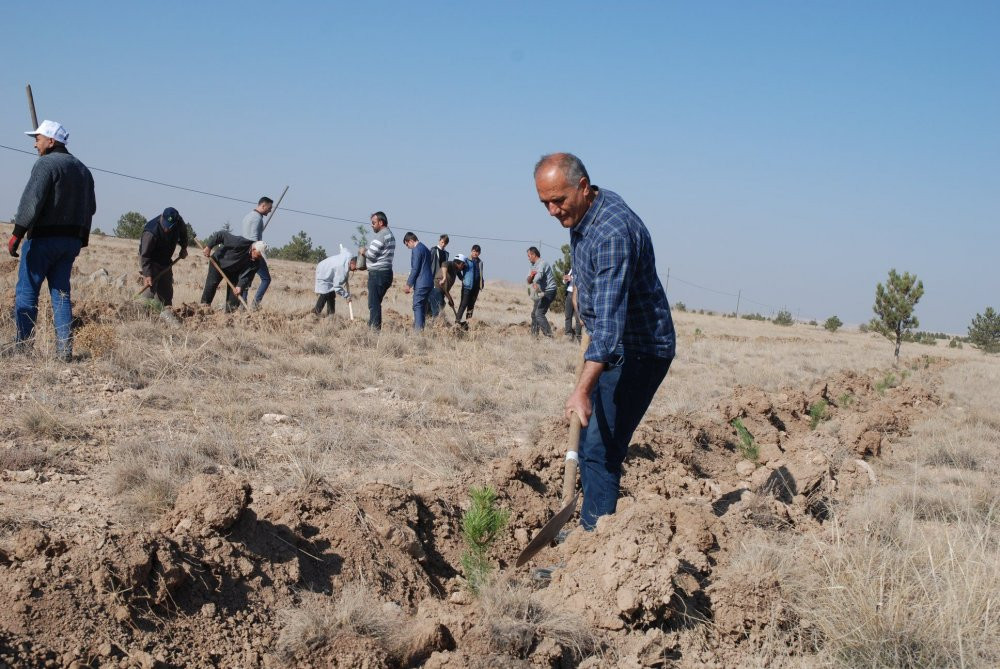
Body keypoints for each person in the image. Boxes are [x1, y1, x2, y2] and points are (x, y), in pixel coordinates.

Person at [534, 152, 675, 531]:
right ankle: (590, 531)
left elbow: (611, 330)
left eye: (558, 200)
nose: (551, 211)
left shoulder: (612, 231)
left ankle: (595, 544)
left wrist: (582, 389)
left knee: (599, 450)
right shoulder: (584, 211)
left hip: (640, 348)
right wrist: (581, 288)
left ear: (582, 187)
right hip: (614, 341)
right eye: (544, 202)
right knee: (596, 441)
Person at [7, 120, 96, 361]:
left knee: (27, 292)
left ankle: (23, 350)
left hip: (43, 241)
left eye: (38, 139)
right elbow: (92, 208)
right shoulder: (83, 170)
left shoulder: (45, 164)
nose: (35, 144)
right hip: (70, 243)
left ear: (51, 141)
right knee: (61, 294)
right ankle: (64, 352)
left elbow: (31, 201)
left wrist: (17, 232)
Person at [199, 231, 267, 312]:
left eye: (261, 256)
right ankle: (204, 308)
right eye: (258, 255)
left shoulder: (256, 262)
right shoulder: (240, 243)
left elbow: (247, 277)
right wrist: (209, 247)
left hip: (234, 271)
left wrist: (240, 286)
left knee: (235, 296)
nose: (259, 258)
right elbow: (221, 235)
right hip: (219, 263)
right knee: (212, 283)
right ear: (254, 249)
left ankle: (229, 315)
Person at [139, 207, 188, 306]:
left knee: (166, 292)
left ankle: (165, 312)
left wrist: (184, 247)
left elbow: (184, 234)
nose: (167, 228)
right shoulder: (151, 232)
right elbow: (145, 255)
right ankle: (141, 310)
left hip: (165, 261)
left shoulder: (179, 222)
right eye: (165, 225)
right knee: (149, 291)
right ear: (162, 217)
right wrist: (147, 274)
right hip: (151, 261)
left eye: (170, 226)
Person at [358, 211, 395, 330]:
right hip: (386, 273)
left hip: (378, 274)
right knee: (376, 303)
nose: (372, 225)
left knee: (373, 304)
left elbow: (372, 254)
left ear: (381, 222)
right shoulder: (390, 235)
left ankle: (374, 331)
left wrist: (364, 251)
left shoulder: (381, 235)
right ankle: (372, 327)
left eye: (373, 223)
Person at [242, 196, 274, 309]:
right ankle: (254, 306)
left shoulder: (248, 216)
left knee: (246, 279)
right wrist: (256, 254)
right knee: (266, 279)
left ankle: (242, 305)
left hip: (245, 252)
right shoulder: (257, 219)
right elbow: (253, 238)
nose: (270, 211)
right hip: (254, 252)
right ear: (263, 205)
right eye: (269, 208)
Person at [402, 232, 434, 330]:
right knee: (422, 307)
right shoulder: (426, 249)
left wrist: (408, 284)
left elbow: (415, 268)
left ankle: (418, 332)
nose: (408, 247)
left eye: (407, 244)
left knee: (417, 306)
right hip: (429, 282)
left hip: (421, 283)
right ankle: (421, 329)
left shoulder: (416, 250)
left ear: (411, 241)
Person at [314, 245, 356, 316]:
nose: (356, 270)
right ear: (352, 263)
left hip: (329, 270)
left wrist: (342, 248)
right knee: (325, 294)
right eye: (355, 267)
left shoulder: (349, 255)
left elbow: (344, 249)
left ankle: (331, 315)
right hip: (323, 271)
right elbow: (337, 287)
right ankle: (315, 313)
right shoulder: (341, 270)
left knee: (331, 294)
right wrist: (346, 296)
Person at [526, 246, 555, 338]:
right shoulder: (532, 265)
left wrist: (534, 280)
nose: (528, 258)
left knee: (539, 314)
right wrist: (531, 277)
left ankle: (549, 336)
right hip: (540, 292)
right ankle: (534, 337)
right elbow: (528, 280)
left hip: (549, 291)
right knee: (534, 314)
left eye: (529, 255)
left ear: (534, 255)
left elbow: (539, 275)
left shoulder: (543, 263)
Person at [456, 244, 485, 327]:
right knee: (463, 304)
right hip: (467, 287)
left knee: (471, 306)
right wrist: (462, 278)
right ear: (471, 251)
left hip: (476, 288)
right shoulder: (466, 260)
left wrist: (481, 283)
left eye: (477, 252)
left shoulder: (480, 262)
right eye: (474, 251)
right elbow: (457, 269)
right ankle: (457, 322)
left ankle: (468, 323)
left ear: (479, 253)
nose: (475, 253)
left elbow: (481, 274)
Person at [436, 254, 467, 320]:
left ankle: (437, 321)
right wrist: (444, 278)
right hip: (437, 288)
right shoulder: (452, 264)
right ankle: (436, 322)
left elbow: (460, 276)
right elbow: (444, 264)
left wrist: (450, 300)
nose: (463, 266)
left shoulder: (456, 269)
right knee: (439, 305)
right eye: (463, 264)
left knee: (441, 304)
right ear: (460, 263)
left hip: (443, 290)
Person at [428, 234, 449, 317]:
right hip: (433, 277)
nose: (443, 244)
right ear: (439, 240)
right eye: (442, 242)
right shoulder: (433, 250)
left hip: (442, 279)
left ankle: (437, 316)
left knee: (440, 298)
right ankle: (430, 315)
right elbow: (428, 263)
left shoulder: (446, 254)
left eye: (445, 243)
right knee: (432, 297)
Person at [563, 268, 581, 340]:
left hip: (578, 293)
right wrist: (565, 279)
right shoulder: (572, 268)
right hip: (569, 293)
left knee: (578, 317)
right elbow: (564, 282)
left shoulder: (582, 266)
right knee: (568, 315)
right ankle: (568, 334)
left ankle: (578, 336)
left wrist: (572, 279)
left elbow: (584, 280)